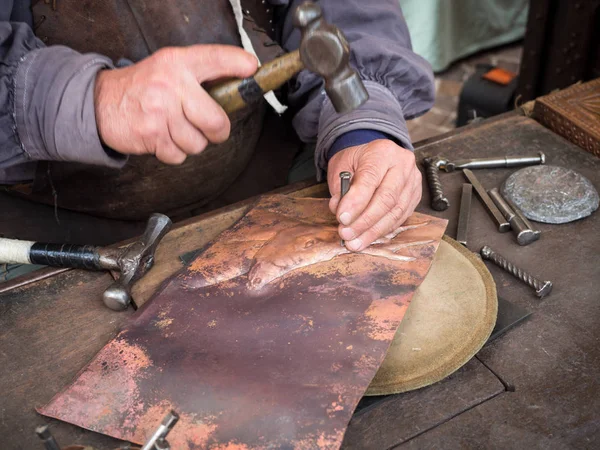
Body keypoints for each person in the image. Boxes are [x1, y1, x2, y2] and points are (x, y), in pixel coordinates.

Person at [0, 0, 434, 253]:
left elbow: (338, 12)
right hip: (56, 230)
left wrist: (362, 128)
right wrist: (82, 101)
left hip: (259, 175)